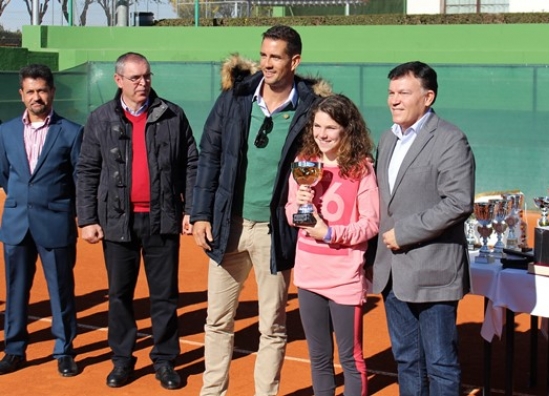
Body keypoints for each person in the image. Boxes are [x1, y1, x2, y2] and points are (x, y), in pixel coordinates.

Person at [190, 25, 330, 396]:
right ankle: (213, 392)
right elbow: (210, 157)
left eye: (276, 57)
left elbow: (330, 158)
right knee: (217, 320)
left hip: (275, 231)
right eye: (264, 55)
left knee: (273, 325)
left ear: (294, 61)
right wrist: (201, 213)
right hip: (228, 225)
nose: (266, 64)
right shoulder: (235, 97)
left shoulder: (312, 109)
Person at [76, 52, 198, 390]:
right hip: (117, 222)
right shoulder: (100, 118)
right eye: (135, 78)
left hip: (163, 219)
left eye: (147, 76)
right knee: (119, 294)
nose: (143, 83)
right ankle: (122, 359)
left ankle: (164, 360)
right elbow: (87, 170)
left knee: (164, 295)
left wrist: (192, 210)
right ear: (118, 81)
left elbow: (191, 163)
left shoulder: (173, 114)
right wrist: (87, 218)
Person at [371, 61, 476, 396]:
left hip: (433, 272)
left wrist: (405, 232)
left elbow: (458, 202)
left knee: (441, 364)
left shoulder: (450, 139)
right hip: (392, 272)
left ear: (428, 97)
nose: (394, 100)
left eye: (404, 92)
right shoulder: (387, 138)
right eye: (391, 92)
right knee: (406, 360)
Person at [285, 94, 379, 396]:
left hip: (344, 277)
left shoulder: (362, 169)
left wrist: (328, 233)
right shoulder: (304, 164)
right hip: (309, 274)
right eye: (317, 126)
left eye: (331, 128)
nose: (321, 134)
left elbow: (370, 224)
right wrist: (299, 207)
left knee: (351, 359)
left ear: (347, 130)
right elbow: (289, 212)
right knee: (319, 357)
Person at [0, 64, 82, 377]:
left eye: (42, 90)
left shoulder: (72, 132)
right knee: (16, 290)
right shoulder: (5, 132)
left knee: (61, 289)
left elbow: (78, 179)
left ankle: (64, 350)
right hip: (16, 223)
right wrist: (24, 200)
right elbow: (5, 175)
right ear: (21, 94)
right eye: (31, 91)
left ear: (52, 92)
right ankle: (14, 349)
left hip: (56, 223)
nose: (37, 97)